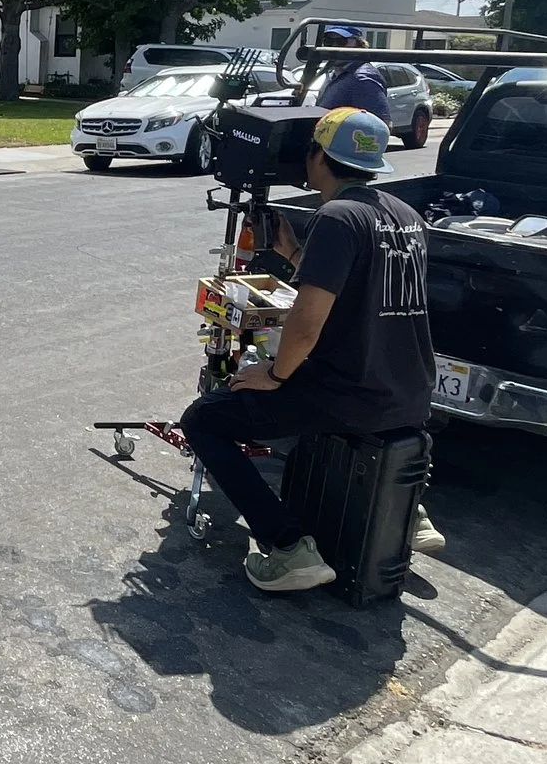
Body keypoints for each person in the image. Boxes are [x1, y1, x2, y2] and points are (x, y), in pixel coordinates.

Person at [177, 108, 441, 593]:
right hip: (408, 391)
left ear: (318, 156)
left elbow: (308, 321)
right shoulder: (405, 215)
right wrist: (295, 253)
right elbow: (362, 290)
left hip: (350, 393)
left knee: (204, 419)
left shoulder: (337, 217)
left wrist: (275, 374)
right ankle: (408, 513)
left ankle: (288, 548)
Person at [313, 23, 391, 123]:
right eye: (329, 42)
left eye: (341, 41)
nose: (334, 47)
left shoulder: (362, 79)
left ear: (358, 44)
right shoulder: (335, 73)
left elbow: (382, 124)